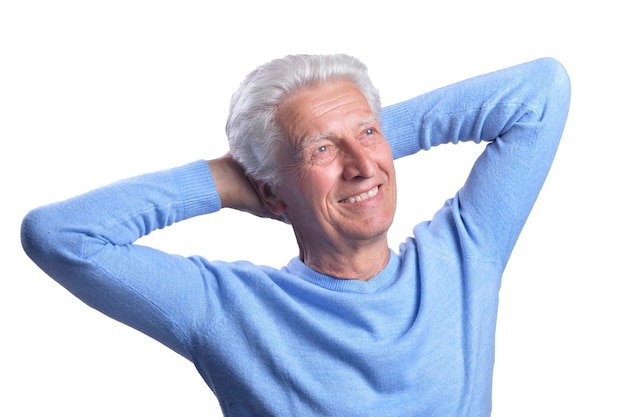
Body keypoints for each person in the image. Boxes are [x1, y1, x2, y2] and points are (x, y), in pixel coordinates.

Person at [21, 54, 571, 416]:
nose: (361, 166)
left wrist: (357, 138)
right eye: (322, 151)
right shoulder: (229, 310)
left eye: (369, 135)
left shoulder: (464, 257)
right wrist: (234, 181)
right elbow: (59, 235)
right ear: (273, 195)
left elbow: (541, 91)